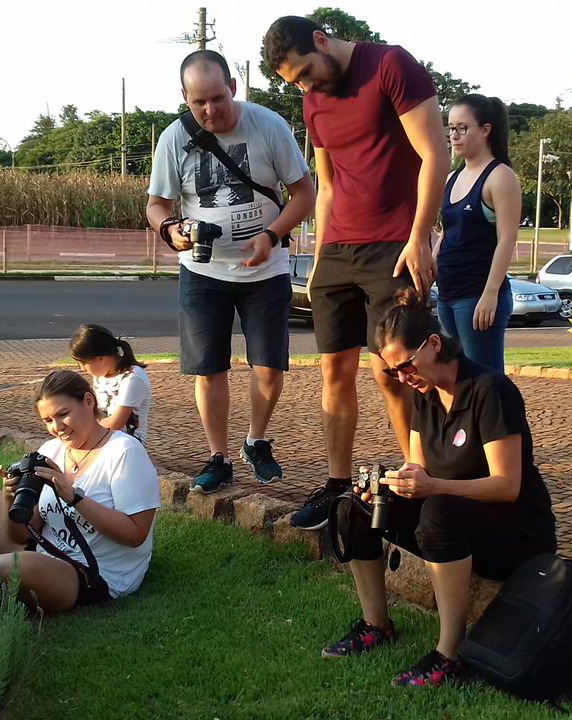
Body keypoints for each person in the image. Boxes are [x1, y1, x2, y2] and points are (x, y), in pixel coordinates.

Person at [263, 17, 449, 530]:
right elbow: (325, 182)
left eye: (305, 73)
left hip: (393, 245)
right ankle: (337, 486)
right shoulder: (311, 100)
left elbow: (436, 153)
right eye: (294, 82)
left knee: (394, 373)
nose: (305, 86)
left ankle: (421, 479)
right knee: (333, 373)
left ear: (322, 40)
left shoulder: (390, 65)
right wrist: (321, 253)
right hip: (338, 248)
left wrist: (419, 237)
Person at [322, 287, 557, 686]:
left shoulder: (490, 391)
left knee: (438, 510)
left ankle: (450, 654)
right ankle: (375, 624)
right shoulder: (427, 397)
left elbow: (508, 486)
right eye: (392, 371)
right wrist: (389, 484)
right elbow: (419, 469)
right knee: (356, 504)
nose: (401, 378)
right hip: (454, 517)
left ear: (433, 344)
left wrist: (432, 486)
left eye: (406, 365)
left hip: (518, 534)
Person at [147, 50, 316, 493]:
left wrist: (273, 235)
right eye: (198, 102)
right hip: (202, 272)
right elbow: (157, 205)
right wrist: (170, 230)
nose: (210, 110)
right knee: (210, 369)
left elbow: (304, 193)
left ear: (233, 88)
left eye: (218, 98)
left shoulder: (268, 125)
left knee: (269, 366)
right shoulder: (172, 139)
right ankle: (218, 456)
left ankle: (256, 441)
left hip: (267, 269)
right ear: (184, 97)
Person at [0, 370, 160, 613]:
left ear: (88, 401)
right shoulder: (51, 450)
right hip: (43, 550)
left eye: (63, 414)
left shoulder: (125, 453)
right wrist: (9, 498)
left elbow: (136, 534)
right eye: (48, 420)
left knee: (4, 567)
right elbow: (21, 535)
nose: (57, 427)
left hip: (89, 573)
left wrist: (74, 497)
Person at [435, 94, 521, 373]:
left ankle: (502, 419)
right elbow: (447, 234)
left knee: (486, 383)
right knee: (457, 379)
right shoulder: (452, 178)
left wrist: (490, 293)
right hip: (447, 295)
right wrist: (428, 270)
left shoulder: (500, 176)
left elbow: (507, 239)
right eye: (451, 128)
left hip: (477, 297)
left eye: (463, 128)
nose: (455, 136)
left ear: (485, 130)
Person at [69, 323, 152, 445]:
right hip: (101, 438)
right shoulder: (100, 375)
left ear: (100, 359)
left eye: (83, 363)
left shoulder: (133, 378)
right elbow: (97, 411)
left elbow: (115, 423)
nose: (82, 369)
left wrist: (84, 426)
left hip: (127, 445)